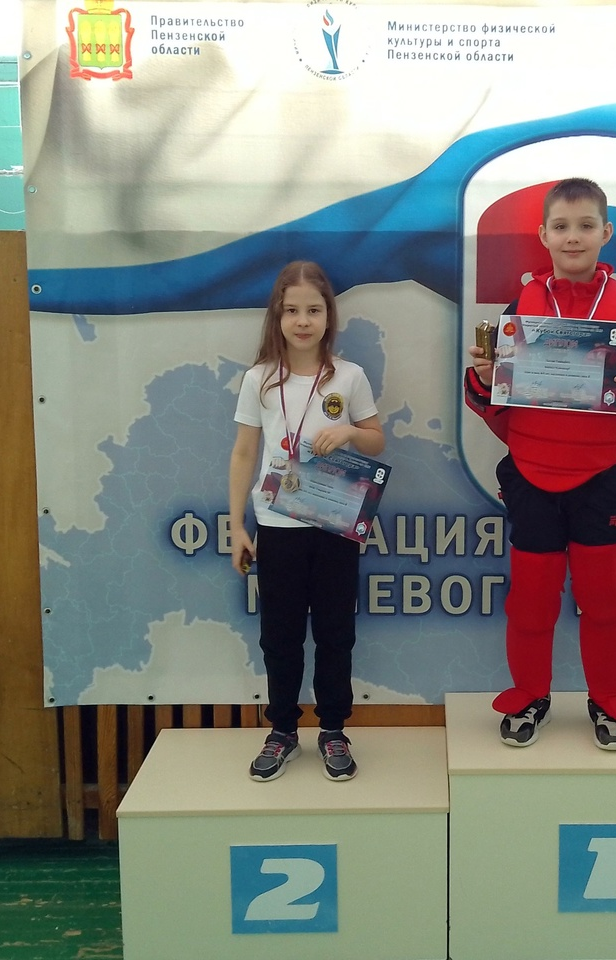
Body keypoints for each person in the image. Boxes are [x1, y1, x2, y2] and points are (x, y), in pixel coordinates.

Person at [465, 178, 616, 750]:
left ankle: (607, 699)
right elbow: (490, 395)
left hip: (602, 480)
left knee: (603, 598)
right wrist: (483, 379)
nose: (572, 237)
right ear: (543, 235)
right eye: (561, 226)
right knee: (531, 599)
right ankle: (530, 694)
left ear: (606, 233)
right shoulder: (523, 306)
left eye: (585, 226)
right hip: (532, 475)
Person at [229, 261, 385, 781]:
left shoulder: (349, 376)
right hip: (277, 525)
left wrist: (350, 434)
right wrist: (237, 526)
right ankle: (282, 732)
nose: (302, 321)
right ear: (277, 316)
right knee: (280, 636)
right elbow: (243, 452)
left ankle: (333, 729)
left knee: (337, 633)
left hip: (335, 525)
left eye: (313, 310)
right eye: (292, 310)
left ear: (328, 316)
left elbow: (376, 439)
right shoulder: (259, 379)